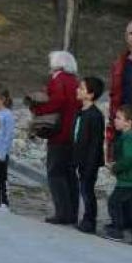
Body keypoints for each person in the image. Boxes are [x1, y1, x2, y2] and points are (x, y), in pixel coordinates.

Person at [31, 51, 81, 225]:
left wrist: (39, 110)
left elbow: (57, 100)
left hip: (58, 132)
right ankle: (72, 212)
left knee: (55, 173)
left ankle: (62, 212)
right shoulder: (74, 81)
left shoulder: (58, 79)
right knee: (70, 174)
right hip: (72, 132)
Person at [103, 105, 132, 244]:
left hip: (129, 179)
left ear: (129, 122)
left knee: (114, 202)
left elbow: (128, 159)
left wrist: (115, 168)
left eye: (118, 118)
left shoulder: (129, 138)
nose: (115, 121)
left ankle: (117, 230)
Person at [107, 20, 132, 161]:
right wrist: (112, 122)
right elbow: (114, 96)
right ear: (126, 37)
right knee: (122, 164)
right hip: (122, 123)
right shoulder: (119, 64)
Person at [73, 76, 105, 233]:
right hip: (80, 158)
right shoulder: (80, 112)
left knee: (87, 191)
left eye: (82, 88)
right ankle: (84, 217)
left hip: (89, 161)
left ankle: (90, 220)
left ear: (91, 94)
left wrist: (91, 163)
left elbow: (96, 143)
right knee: (83, 189)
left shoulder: (95, 115)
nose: (77, 90)